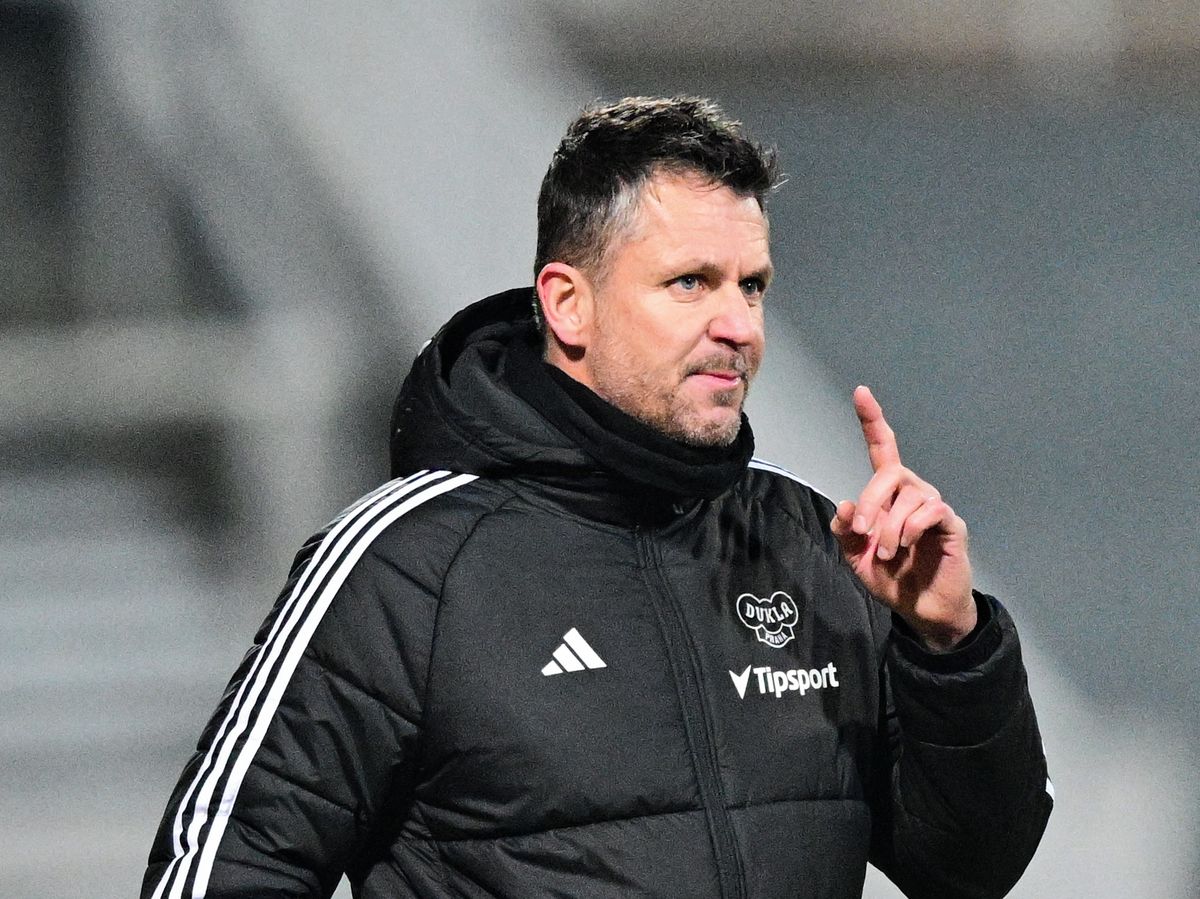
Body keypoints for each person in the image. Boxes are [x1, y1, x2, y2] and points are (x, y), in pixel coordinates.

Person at [143, 96, 1052, 899]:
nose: (738, 325)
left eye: (752, 286)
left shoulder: (811, 543)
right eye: (690, 282)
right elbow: (216, 868)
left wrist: (950, 645)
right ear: (568, 304)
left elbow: (971, 866)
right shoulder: (406, 566)